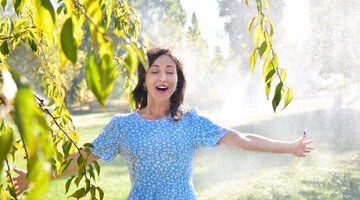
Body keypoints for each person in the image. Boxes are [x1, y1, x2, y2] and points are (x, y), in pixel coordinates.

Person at [11, 47, 314, 199]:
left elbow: (242, 139)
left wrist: (290, 147)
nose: (163, 77)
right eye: (155, 71)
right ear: (144, 79)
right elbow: (82, 159)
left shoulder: (191, 121)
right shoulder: (121, 126)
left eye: (170, 71)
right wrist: (36, 178)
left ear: (177, 80)